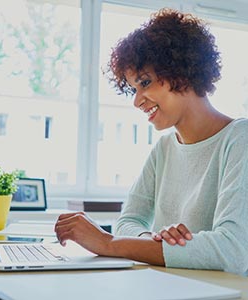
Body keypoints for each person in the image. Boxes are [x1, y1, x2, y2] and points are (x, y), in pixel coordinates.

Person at [55, 8, 248, 275]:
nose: (136, 100)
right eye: (134, 88)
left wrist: (108, 244)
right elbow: (130, 220)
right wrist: (157, 241)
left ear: (182, 72)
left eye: (145, 82)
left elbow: (233, 250)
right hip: (174, 286)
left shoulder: (240, 140)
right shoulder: (164, 148)